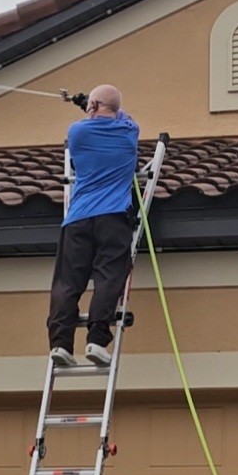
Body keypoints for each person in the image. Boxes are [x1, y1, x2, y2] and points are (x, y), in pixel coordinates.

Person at [48, 83, 140, 367]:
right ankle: (97, 341)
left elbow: (99, 114)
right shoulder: (129, 135)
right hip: (113, 218)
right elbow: (120, 113)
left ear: (92, 107)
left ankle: (60, 345)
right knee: (109, 278)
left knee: (67, 283)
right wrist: (94, 102)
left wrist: (87, 104)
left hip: (77, 220)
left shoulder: (77, 133)